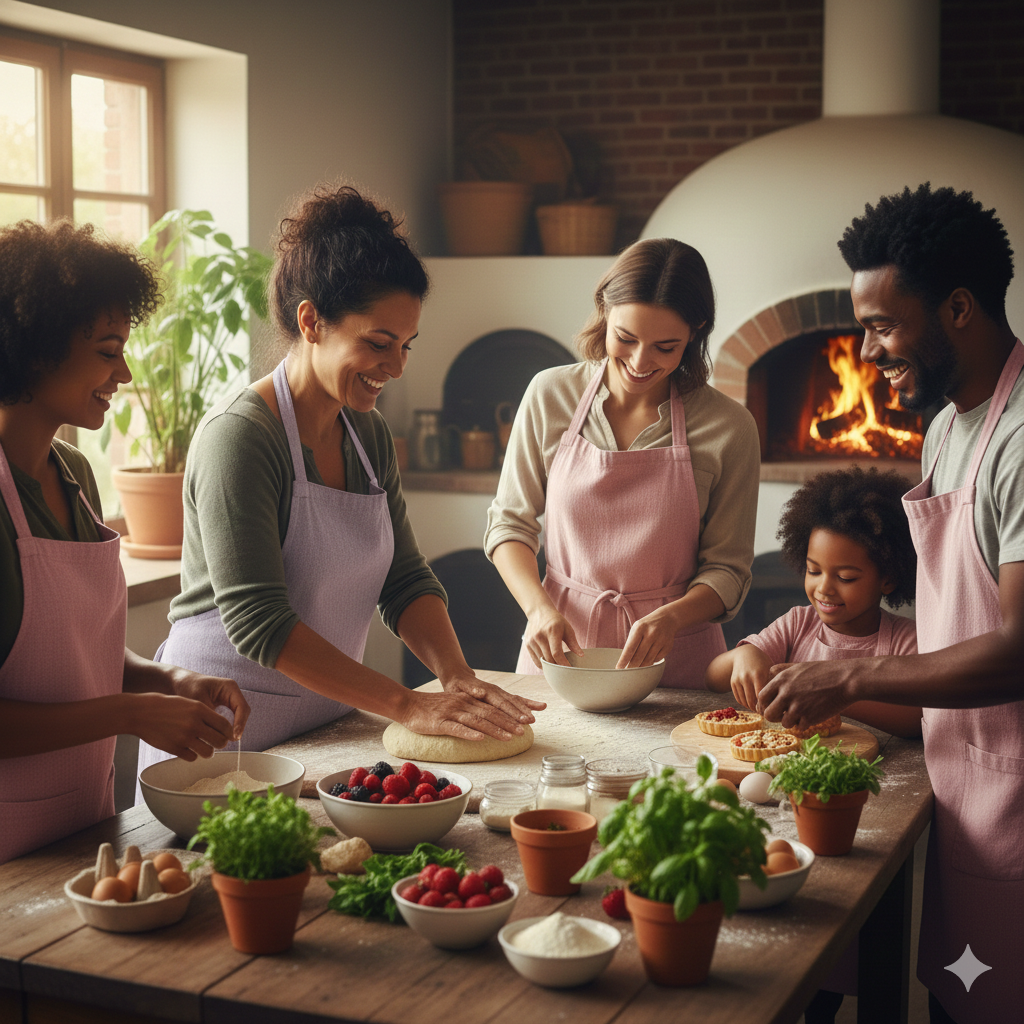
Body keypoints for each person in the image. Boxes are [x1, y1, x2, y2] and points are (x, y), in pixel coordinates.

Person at [137, 184, 543, 785]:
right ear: (311, 321)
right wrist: (408, 702)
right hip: (219, 743)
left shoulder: (368, 436)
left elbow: (404, 581)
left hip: (323, 732)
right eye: (378, 343)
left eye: (406, 345)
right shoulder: (240, 439)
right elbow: (258, 620)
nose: (397, 366)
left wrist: (456, 676)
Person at [758, 184, 1024, 1024]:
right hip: (965, 779)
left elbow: (1021, 648)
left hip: (1016, 794)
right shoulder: (947, 425)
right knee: (960, 1001)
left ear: (957, 308)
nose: (867, 349)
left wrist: (846, 679)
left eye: (881, 324)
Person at [0, 219, 250, 865]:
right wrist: (128, 713)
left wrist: (165, 679)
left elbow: (74, 656)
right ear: (34, 350)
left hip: (83, 825)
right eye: (108, 350)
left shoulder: (75, 474)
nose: (126, 371)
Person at [485, 238, 760, 687]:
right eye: (625, 338)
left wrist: (672, 619)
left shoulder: (730, 427)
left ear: (696, 331)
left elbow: (728, 570)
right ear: (603, 312)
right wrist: (538, 610)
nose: (639, 361)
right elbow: (509, 526)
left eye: (665, 347)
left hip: (676, 659)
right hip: (561, 653)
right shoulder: (549, 395)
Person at [707, 465, 922, 739]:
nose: (824, 588)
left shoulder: (905, 641)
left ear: (888, 580)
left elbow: (917, 720)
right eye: (814, 571)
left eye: (845, 578)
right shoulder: (798, 624)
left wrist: (837, 694)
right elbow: (712, 678)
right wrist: (744, 655)